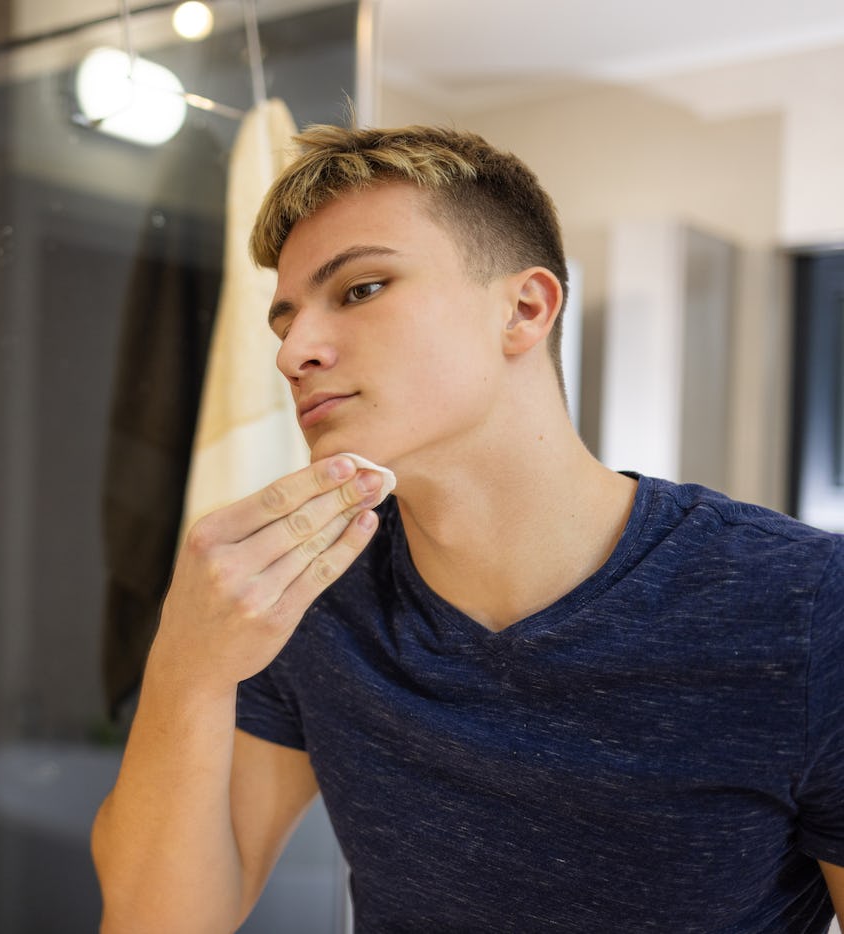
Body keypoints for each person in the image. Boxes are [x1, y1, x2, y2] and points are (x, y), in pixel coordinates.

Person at [91, 124, 844, 932]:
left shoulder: (803, 608)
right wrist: (186, 666)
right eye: (285, 322)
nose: (295, 352)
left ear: (525, 309)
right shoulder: (316, 596)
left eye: (360, 289)